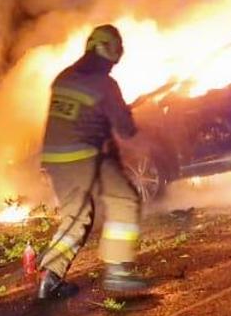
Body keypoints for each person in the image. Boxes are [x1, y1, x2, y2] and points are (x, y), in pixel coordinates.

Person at [35, 24, 150, 300]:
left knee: (106, 204)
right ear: (110, 50)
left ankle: (56, 276)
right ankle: (55, 271)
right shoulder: (105, 84)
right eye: (116, 50)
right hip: (83, 157)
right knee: (85, 214)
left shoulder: (65, 77)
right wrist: (125, 111)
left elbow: (77, 119)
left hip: (59, 157)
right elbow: (126, 130)